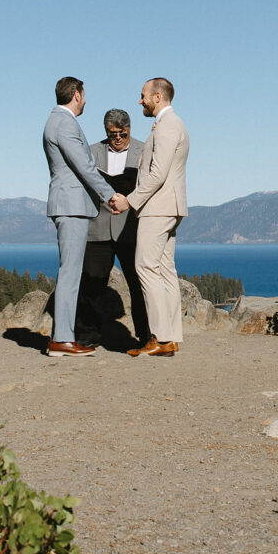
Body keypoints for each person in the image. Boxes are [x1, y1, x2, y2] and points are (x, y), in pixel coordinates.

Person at [111, 78, 189, 357]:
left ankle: (160, 337)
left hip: (158, 207)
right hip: (169, 206)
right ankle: (171, 336)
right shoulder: (169, 125)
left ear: (157, 96)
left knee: (145, 266)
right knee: (165, 269)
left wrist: (129, 201)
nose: (140, 100)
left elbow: (158, 173)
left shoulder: (168, 125)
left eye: (143, 95)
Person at [42, 77, 118, 357]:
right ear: (76, 94)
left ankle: (63, 336)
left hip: (69, 204)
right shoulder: (64, 123)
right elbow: (85, 166)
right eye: (84, 95)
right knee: (71, 273)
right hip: (71, 205)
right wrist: (110, 195)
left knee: (70, 271)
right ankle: (62, 339)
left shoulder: (57, 122)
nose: (85, 100)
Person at [75, 109, 150, 347]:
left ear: (130, 130)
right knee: (92, 282)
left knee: (139, 284)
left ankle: (146, 334)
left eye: (122, 134)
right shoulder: (92, 151)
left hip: (131, 227)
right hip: (98, 227)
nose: (117, 138)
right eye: (112, 134)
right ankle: (88, 334)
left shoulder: (144, 150)